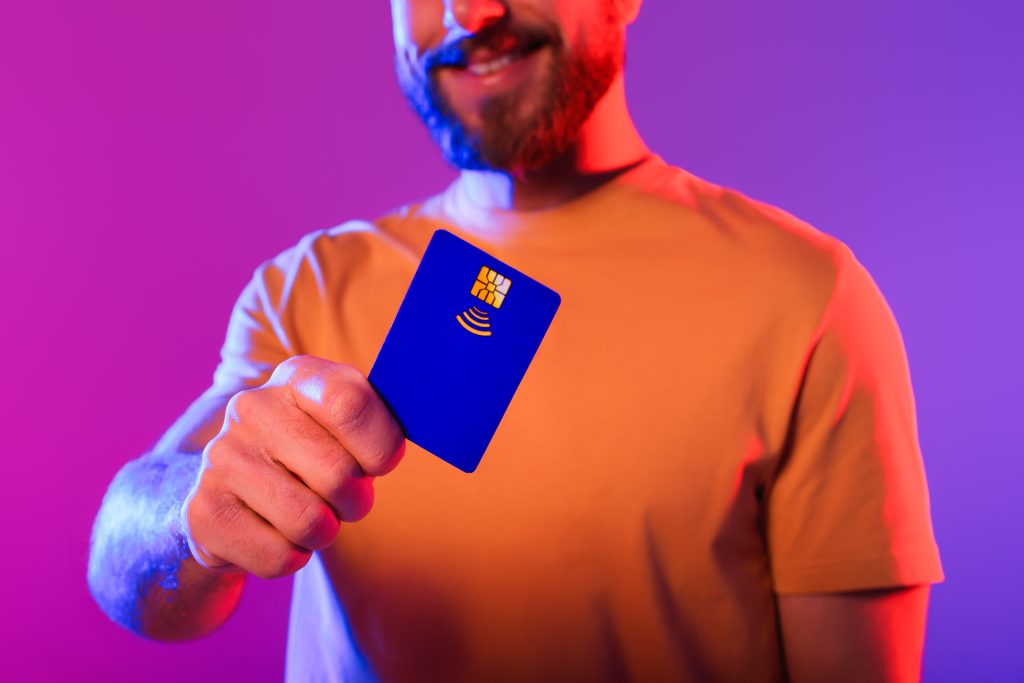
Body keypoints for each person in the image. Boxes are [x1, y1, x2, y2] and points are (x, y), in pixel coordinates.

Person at [88, 0, 944, 681]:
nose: (471, 11)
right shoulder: (307, 285)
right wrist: (193, 514)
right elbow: (125, 573)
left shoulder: (808, 295)